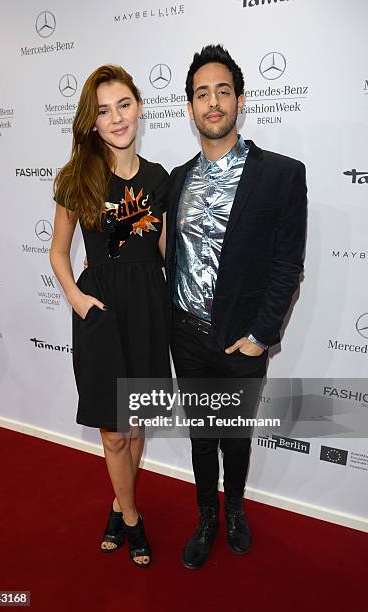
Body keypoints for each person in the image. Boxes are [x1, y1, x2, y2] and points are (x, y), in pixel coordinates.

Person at [165, 45, 307, 569]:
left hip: (242, 340)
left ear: (240, 101)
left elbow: (287, 265)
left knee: (235, 436)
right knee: (202, 435)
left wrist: (262, 334)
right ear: (189, 108)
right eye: (202, 93)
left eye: (223, 91)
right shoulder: (176, 180)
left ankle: (237, 509)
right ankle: (206, 516)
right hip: (188, 335)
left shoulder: (281, 175)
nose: (213, 102)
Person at [50, 64, 171, 568]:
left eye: (124, 105)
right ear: (92, 122)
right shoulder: (77, 176)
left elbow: (165, 250)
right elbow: (58, 252)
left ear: (139, 107)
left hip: (148, 308)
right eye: (104, 110)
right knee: (113, 430)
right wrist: (79, 300)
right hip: (101, 312)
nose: (117, 117)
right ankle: (133, 519)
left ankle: (119, 504)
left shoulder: (159, 178)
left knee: (136, 425)